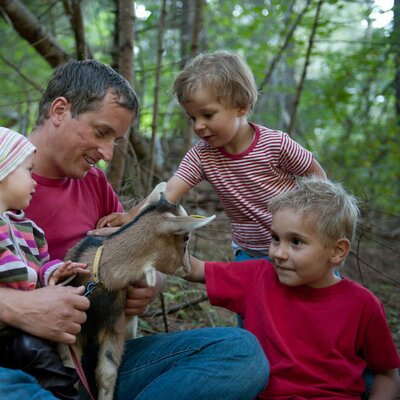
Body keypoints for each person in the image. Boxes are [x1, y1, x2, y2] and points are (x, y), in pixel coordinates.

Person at [0, 60, 269, 400]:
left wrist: (149, 284)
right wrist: (17, 308)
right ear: (60, 110)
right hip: (15, 358)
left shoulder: (93, 183)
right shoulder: (2, 174)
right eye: (101, 133)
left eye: (116, 140)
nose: (108, 154)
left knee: (240, 353)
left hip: (93, 358)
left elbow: (144, 247)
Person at [96, 50, 327, 262]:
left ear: (241, 106)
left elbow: (318, 180)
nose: (199, 126)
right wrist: (131, 217)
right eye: (193, 118)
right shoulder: (201, 156)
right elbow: (167, 193)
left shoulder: (276, 145)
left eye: (207, 114)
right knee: (252, 305)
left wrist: (319, 225)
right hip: (248, 252)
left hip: (297, 247)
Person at [184, 176, 400, 399]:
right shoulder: (258, 277)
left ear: (337, 251)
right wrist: (162, 231)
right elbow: (194, 269)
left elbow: (387, 375)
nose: (279, 253)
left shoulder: (363, 305)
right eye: (275, 238)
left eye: (296, 242)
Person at [0, 127, 90, 399]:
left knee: (40, 353)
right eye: (28, 170)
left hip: (31, 328)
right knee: (36, 353)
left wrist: (55, 272)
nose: (35, 181)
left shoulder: (29, 229)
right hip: (9, 330)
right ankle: (64, 393)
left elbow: (41, 266)